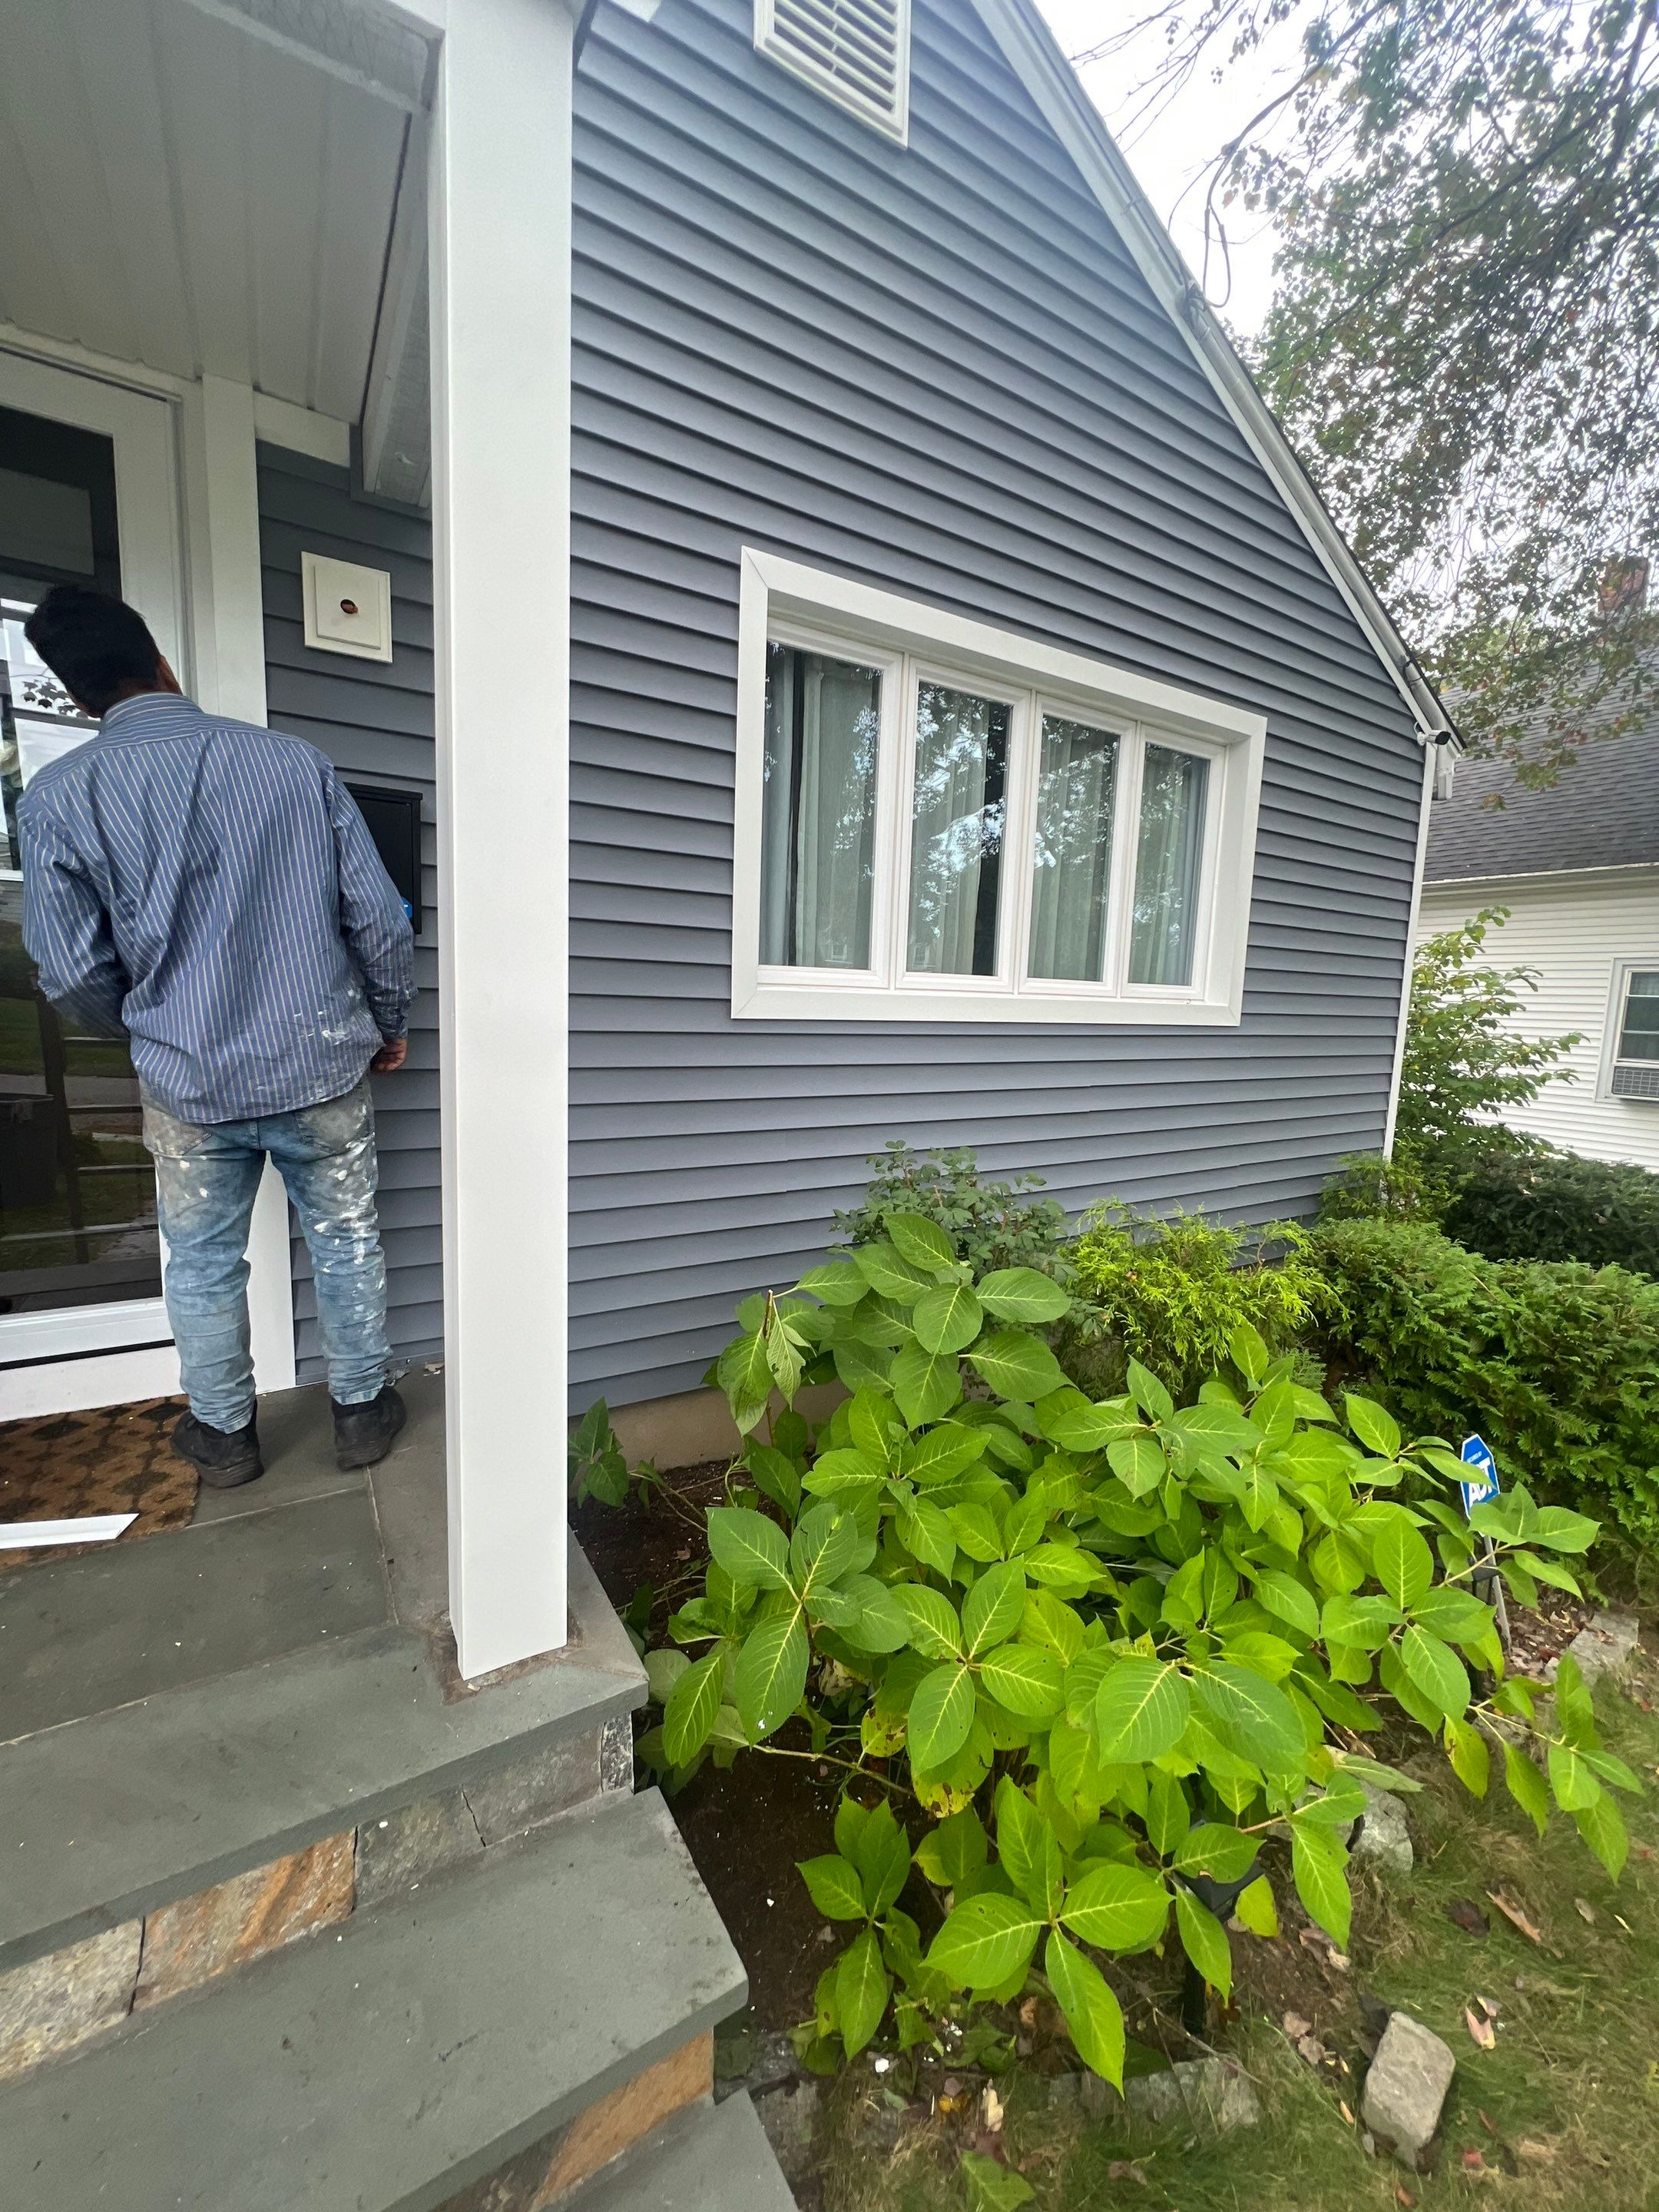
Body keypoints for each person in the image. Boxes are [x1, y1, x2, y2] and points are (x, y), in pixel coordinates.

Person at [18, 583, 416, 1490]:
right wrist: (388, 1025)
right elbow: (380, 922)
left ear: (79, 698)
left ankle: (226, 1438)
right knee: (347, 1237)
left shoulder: (58, 798)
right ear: (160, 660)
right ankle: (360, 1417)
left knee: (200, 1260)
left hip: (189, 1087)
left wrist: (150, 1031)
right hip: (320, 1066)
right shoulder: (292, 765)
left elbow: (72, 971)